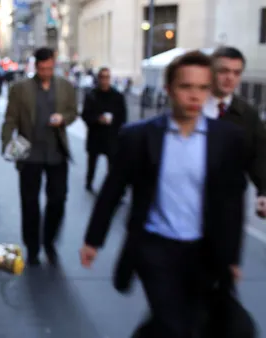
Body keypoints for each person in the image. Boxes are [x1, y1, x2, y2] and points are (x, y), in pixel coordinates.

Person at [79, 51, 247, 337]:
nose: (195, 96)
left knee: (191, 321)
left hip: (203, 250)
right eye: (186, 87)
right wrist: (93, 240)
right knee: (173, 324)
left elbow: (232, 201)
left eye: (202, 88)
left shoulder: (226, 138)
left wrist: (231, 257)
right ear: (168, 90)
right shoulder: (139, 137)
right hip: (154, 248)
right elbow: (112, 188)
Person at [1, 47, 77, 266]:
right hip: (29, 154)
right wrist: (7, 144)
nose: (46, 72)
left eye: (50, 68)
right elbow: (10, 119)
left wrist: (63, 118)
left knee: (58, 199)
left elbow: (73, 112)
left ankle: (49, 240)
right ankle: (32, 247)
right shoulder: (20, 89)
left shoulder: (65, 87)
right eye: (42, 69)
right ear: (36, 66)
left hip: (56, 153)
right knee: (29, 203)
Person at [204, 46, 266, 218]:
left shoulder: (248, 115)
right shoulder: (193, 107)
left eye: (236, 73)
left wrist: (263, 192)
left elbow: (260, 156)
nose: (230, 78)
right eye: (223, 71)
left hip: (227, 207)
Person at [81, 67, 127, 192]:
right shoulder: (91, 95)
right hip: (95, 135)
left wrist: (117, 128)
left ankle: (112, 189)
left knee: (112, 165)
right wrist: (97, 119)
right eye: (102, 77)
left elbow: (123, 117)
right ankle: (89, 183)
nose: (105, 80)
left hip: (111, 136)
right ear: (98, 78)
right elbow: (85, 115)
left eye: (107, 77)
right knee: (92, 163)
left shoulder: (117, 96)